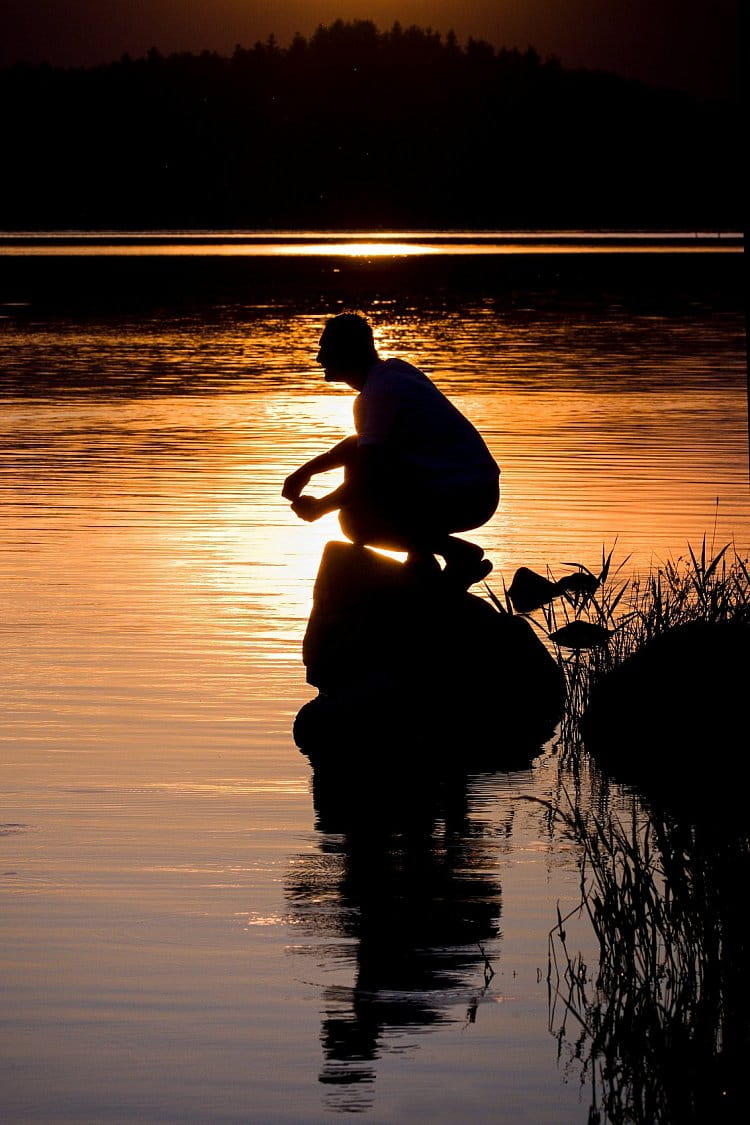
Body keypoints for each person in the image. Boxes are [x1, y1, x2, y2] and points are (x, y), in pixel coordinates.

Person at [282, 313, 500, 590]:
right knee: (374, 484)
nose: (319, 359)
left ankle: (459, 554)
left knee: (356, 522)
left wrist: (321, 507)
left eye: (325, 349)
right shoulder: (394, 372)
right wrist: (306, 472)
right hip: (470, 488)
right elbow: (359, 446)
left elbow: (368, 476)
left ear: (348, 352)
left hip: (467, 497)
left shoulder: (378, 393)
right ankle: (421, 562)